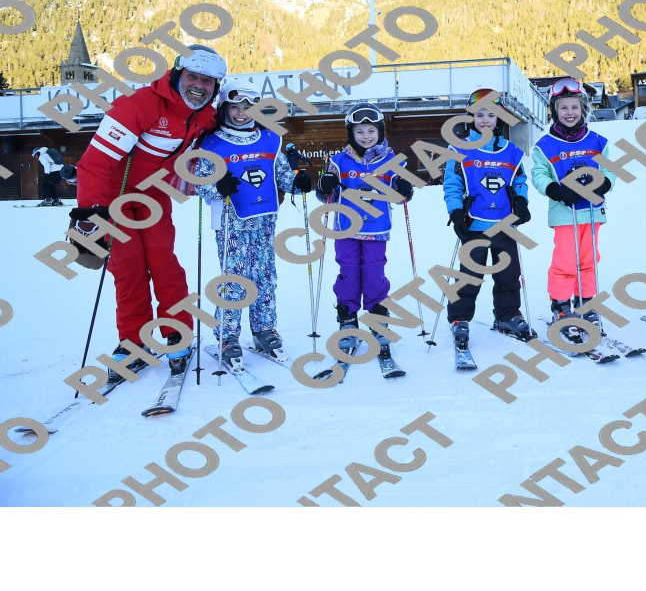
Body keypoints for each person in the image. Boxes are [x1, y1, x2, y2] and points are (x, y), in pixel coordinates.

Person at [73, 45, 226, 380]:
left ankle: (176, 333)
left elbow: (234, 130)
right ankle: (133, 342)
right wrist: (89, 214)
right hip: (113, 196)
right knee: (128, 268)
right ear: (177, 74)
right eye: (193, 77)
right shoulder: (139, 105)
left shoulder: (206, 116)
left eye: (208, 81)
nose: (199, 86)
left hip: (154, 196)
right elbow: (93, 165)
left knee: (163, 262)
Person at [193, 78, 311, 371]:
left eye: (248, 107)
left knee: (265, 278)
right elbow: (200, 183)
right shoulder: (213, 143)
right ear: (224, 108)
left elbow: (282, 176)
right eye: (235, 107)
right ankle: (227, 336)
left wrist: (298, 182)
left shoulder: (270, 139)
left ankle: (264, 329)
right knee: (234, 280)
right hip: (231, 223)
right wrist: (217, 186)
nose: (241, 113)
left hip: (264, 221)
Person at [315, 105, 414, 368]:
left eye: (371, 131)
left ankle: (378, 318)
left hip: (376, 228)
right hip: (346, 228)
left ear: (380, 132)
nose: (366, 136)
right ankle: (347, 320)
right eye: (360, 131)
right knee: (348, 273)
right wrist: (324, 186)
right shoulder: (338, 161)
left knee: (374, 274)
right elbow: (327, 194)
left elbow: (400, 195)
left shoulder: (392, 161)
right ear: (351, 133)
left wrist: (404, 188)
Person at [444, 89, 533, 352]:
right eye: (480, 114)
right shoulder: (459, 149)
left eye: (491, 115)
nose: (485, 120)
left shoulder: (511, 151)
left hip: (505, 223)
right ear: (471, 117)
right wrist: (456, 213)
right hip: (474, 224)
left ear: (499, 118)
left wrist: (521, 202)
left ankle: (507, 315)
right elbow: (452, 185)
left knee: (508, 274)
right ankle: (459, 318)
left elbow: (519, 181)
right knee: (470, 275)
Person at [530, 78, 616, 341]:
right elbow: (539, 174)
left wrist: (603, 183)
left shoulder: (598, 141)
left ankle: (586, 303)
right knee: (566, 262)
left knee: (589, 260)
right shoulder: (545, 145)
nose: (570, 112)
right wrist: (555, 190)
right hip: (564, 214)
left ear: (583, 109)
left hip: (592, 211)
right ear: (554, 110)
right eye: (563, 107)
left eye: (575, 107)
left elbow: (609, 170)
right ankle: (561, 306)